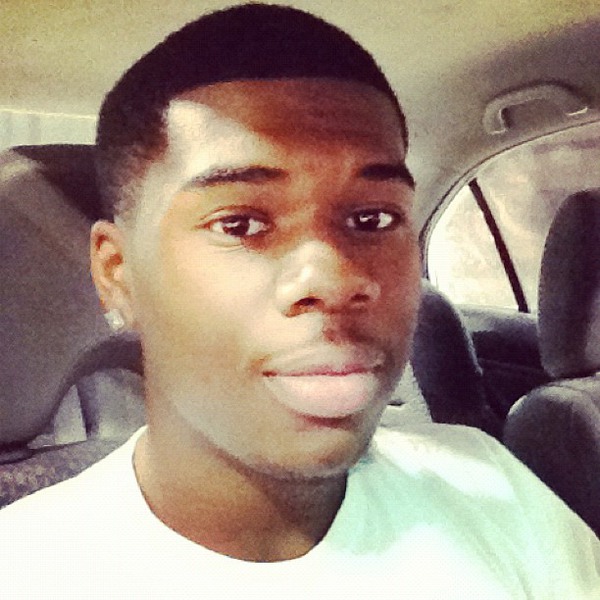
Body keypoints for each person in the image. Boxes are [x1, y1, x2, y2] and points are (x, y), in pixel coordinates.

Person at [1, 4, 599, 598]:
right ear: (118, 275)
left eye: (372, 218)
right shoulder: (27, 568)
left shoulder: (491, 485)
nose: (335, 279)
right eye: (239, 224)